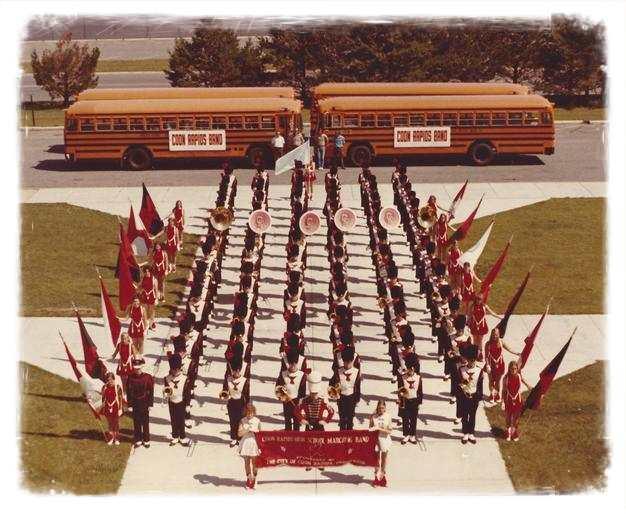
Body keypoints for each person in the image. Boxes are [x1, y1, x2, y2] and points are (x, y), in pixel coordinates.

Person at [329, 346, 361, 431]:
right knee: (342, 420)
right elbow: (331, 383)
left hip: (351, 398)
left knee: (350, 420)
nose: (347, 364)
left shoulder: (356, 371)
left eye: (349, 362)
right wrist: (335, 387)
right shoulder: (338, 371)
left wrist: (357, 399)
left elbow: (358, 386)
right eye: (345, 362)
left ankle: (350, 437)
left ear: (352, 360)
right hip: (341, 398)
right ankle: (342, 437)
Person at [457, 345, 484, 444]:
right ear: (467, 359)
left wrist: (479, 397)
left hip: (474, 395)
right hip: (464, 395)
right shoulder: (461, 369)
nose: (472, 362)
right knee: (464, 415)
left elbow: (480, 385)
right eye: (470, 360)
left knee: (472, 415)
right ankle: (465, 433)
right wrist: (462, 386)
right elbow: (457, 383)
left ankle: (471, 433)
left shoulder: (479, 370)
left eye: (473, 360)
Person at [484, 327, 520, 402]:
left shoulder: (501, 342)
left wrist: (516, 353)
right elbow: (486, 356)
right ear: (491, 334)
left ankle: (497, 394)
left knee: (498, 381)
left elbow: (509, 349)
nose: (494, 336)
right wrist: (487, 365)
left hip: (500, 364)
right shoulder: (488, 344)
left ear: (499, 334)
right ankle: (492, 394)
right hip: (490, 365)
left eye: (496, 334)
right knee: (491, 380)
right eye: (493, 334)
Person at [126, 358, 154, 448]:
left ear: (142, 367)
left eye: (138, 368)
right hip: (135, 402)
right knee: (136, 421)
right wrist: (129, 404)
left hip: (145, 402)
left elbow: (151, 391)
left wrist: (150, 404)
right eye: (135, 368)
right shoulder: (130, 377)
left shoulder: (148, 377)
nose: (137, 370)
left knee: (145, 421)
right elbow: (129, 392)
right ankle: (138, 439)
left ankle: (146, 439)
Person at [275, 350, 307, 431]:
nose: (292, 365)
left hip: (297, 402)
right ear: (288, 363)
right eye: (291, 363)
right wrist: (283, 396)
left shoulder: (302, 375)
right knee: (287, 422)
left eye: (294, 363)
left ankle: (297, 437)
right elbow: (277, 388)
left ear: (297, 363)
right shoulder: (283, 374)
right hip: (286, 401)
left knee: (296, 422)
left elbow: (303, 391)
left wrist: (300, 403)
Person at [223, 356, 249, 447]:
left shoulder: (245, 381)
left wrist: (247, 405)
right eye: (235, 370)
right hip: (231, 402)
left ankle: (240, 437)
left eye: (238, 370)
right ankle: (234, 438)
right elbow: (224, 390)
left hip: (241, 402)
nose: (237, 372)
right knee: (232, 421)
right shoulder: (228, 379)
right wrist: (226, 396)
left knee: (241, 421)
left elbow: (247, 394)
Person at [164, 354, 190, 446]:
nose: (175, 372)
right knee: (173, 419)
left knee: (181, 420)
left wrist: (187, 405)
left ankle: (182, 436)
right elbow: (167, 390)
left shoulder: (185, 379)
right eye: (173, 370)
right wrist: (165, 396)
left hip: (181, 401)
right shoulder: (167, 379)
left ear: (180, 368)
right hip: (172, 401)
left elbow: (187, 393)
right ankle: (175, 436)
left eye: (177, 369)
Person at [502, 361, 532, 442]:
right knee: (508, 417)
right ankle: (508, 432)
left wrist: (528, 386)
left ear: (517, 369)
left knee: (516, 418)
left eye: (515, 369)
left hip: (518, 400)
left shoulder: (519, 376)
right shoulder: (506, 378)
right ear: (509, 369)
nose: (514, 370)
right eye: (512, 369)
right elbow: (504, 390)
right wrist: (503, 402)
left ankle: (514, 432)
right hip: (508, 399)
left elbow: (523, 380)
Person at [468, 292, 502, 361]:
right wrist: (468, 325)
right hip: (474, 325)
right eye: (477, 299)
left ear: (482, 300)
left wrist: (500, 317)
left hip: (482, 325)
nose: (478, 301)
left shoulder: (484, 306)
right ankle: (475, 354)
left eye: (480, 299)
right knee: (475, 340)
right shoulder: (472, 306)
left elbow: (492, 313)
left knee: (480, 340)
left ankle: (480, 354)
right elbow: (469, 315)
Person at [397, 353, 423, 444]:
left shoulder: (418, 377)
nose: (411, 371)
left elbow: (420, 391)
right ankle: (406, 435)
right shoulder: (402, 377)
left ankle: (412, 435)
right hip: (405, 401)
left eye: (412, 369)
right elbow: (400, 389)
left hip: (414, 401)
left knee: (413, 419)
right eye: (409, 369)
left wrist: (420, 402)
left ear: (414, 368)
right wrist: (400, 398)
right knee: (405, 419)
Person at [238, 403, 262, 490]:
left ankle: (255, 479)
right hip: (245, 443)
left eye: (251, 413)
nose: (249, 414)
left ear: (253, 413)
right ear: (246, 412)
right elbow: (239, 434)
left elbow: (261, 434)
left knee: (254, 463)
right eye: (248, 413)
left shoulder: (257, 421)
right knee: (247, 462)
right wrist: (246, 430)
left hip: (254, 443)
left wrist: (255, 432)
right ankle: (249, 478)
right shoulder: (242, 420)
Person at [369, 400, 392, 487]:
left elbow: (390, 431)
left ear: (385, 408)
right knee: (377, 459)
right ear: (377, 408)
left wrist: (380, 429)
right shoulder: (373, 417)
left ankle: (382, 477)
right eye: (379, 408)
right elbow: (370, 429)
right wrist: (373, 429)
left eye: (383, 408)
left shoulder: (388, 416)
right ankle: (376, 477)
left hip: (385, 439)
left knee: (384, 459)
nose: (381, 410)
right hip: (376, 439)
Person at [100, 372, 124, 445]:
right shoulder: (104, 387)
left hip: (115, 406)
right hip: (107, 407)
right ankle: (110, 438)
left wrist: (120, 408)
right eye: (108, 380)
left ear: (114, 379)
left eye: (111, 379)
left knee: (116, 423)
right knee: (110, 423)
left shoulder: (118, 387)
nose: (110, 381)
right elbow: (103, 398)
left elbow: (120, 398)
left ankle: (116, 438)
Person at [111, 332, 134, 396]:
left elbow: (135, 356)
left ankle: (131, 393)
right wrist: (103, 358)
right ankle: (124, 393)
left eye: (125, 338)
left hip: (129, 365)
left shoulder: (131, 346)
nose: (123, 340)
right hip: (121, 365)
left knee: (130, 381)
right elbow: (113, 355)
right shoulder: (119, 345)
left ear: (128, 338)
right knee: (123, 381)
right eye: (122, 338)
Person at [139, 265, 158, 330]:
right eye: (146, 271)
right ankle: (145, 324)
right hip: (144, 296)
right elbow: (140, 287)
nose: (147, 273)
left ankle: (151, 324)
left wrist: (156, 299)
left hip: (152, 296)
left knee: (151, 311)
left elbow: (156, 290)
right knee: (144, 310)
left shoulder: (154, 279)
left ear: (150, 271)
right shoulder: (142, 278)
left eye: (148, 271)